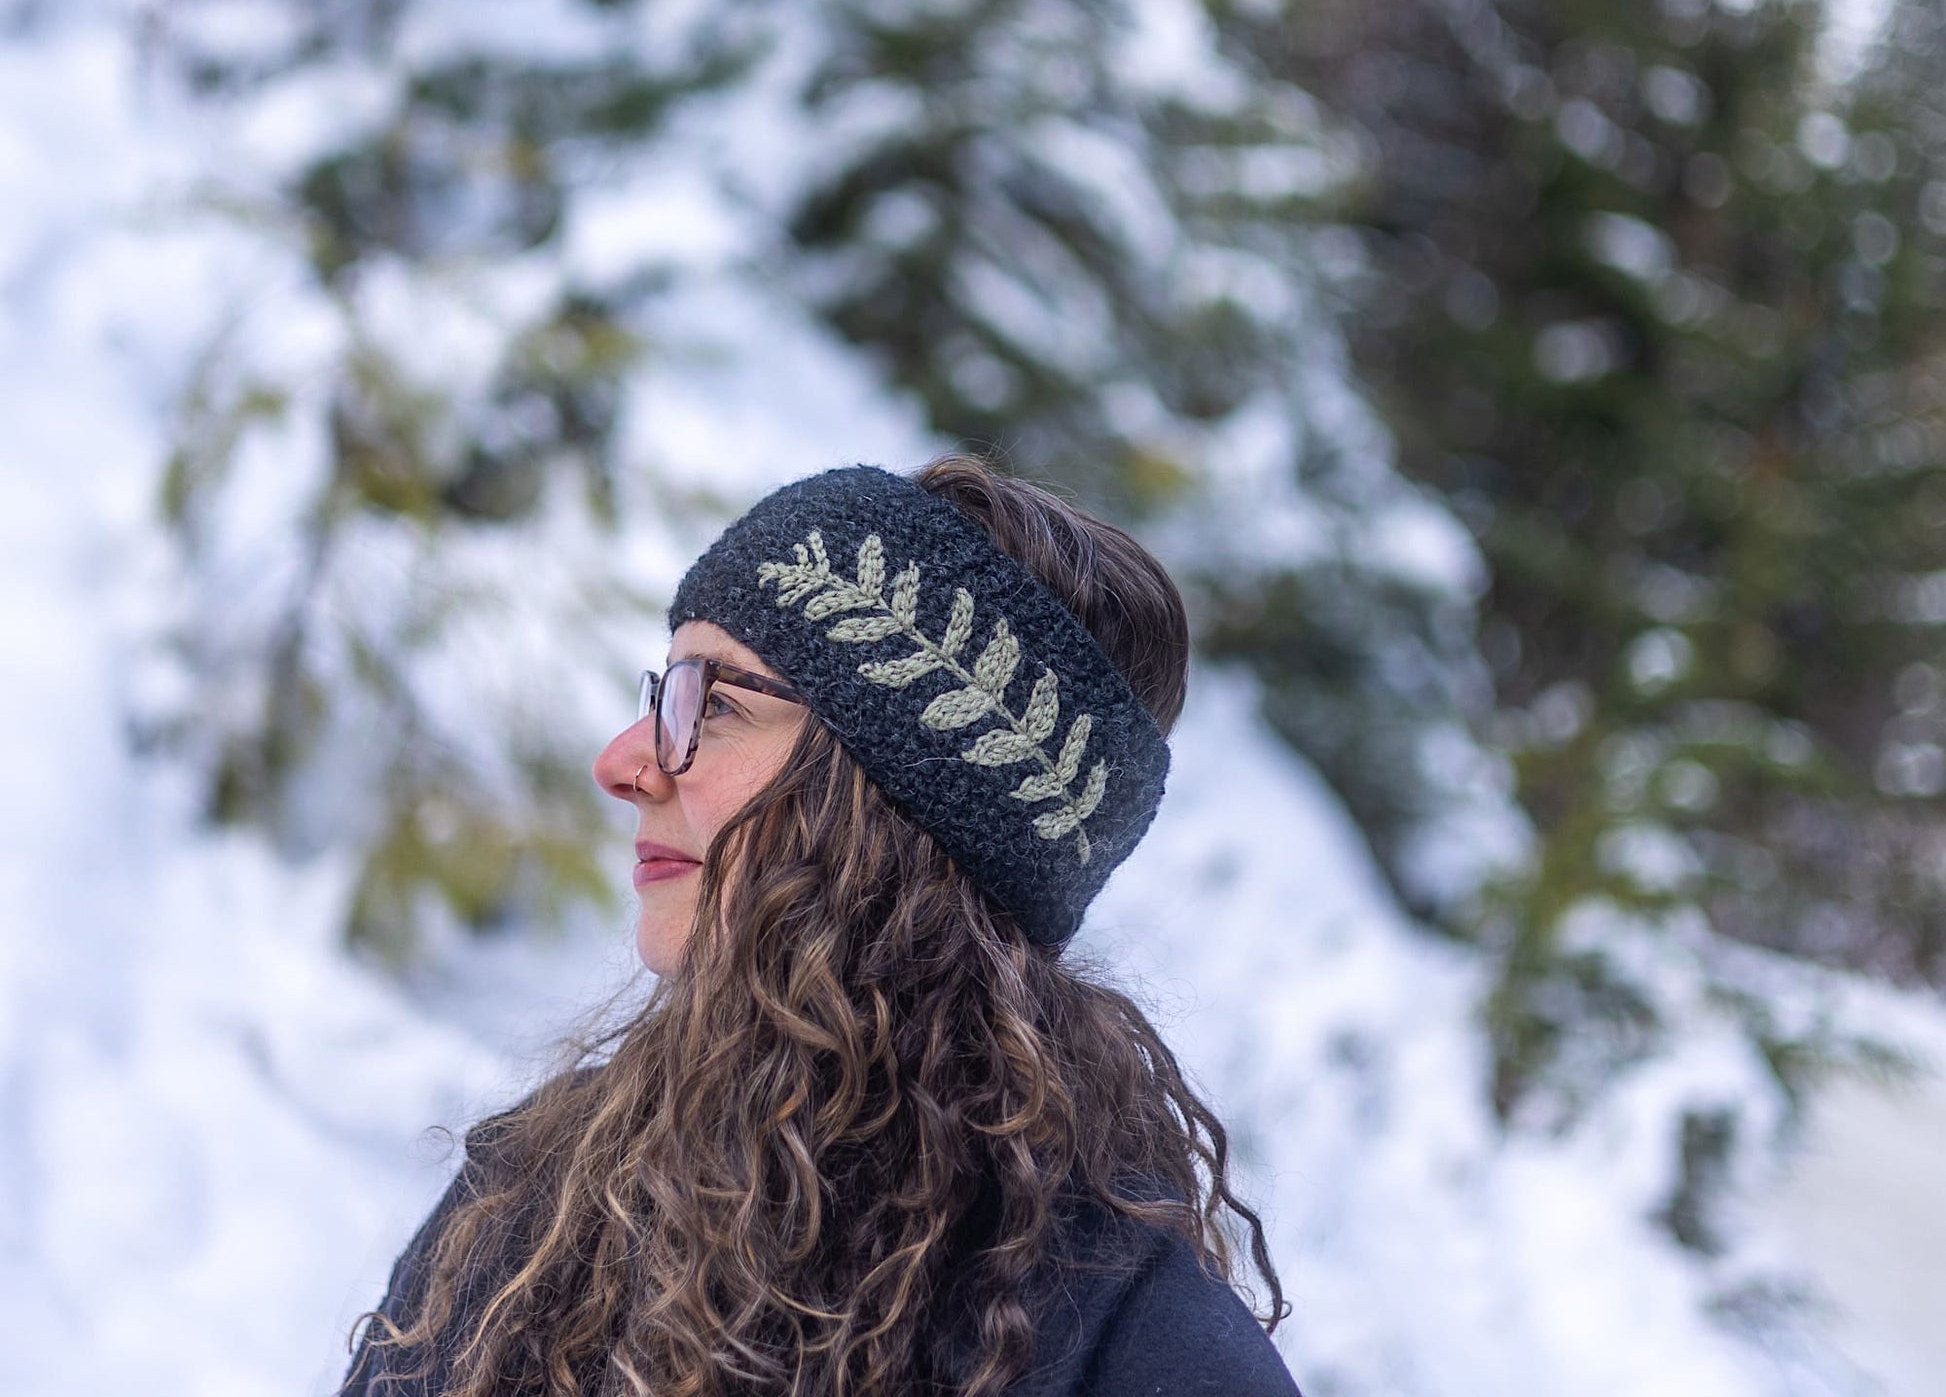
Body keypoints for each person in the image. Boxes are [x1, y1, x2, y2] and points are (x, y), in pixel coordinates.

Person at [338, 454, 1303, 1396]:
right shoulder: (534, 1208)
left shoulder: (1136, 1348)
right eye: (663, 693)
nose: (625, 760)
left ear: (892, 803)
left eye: (710, 704)